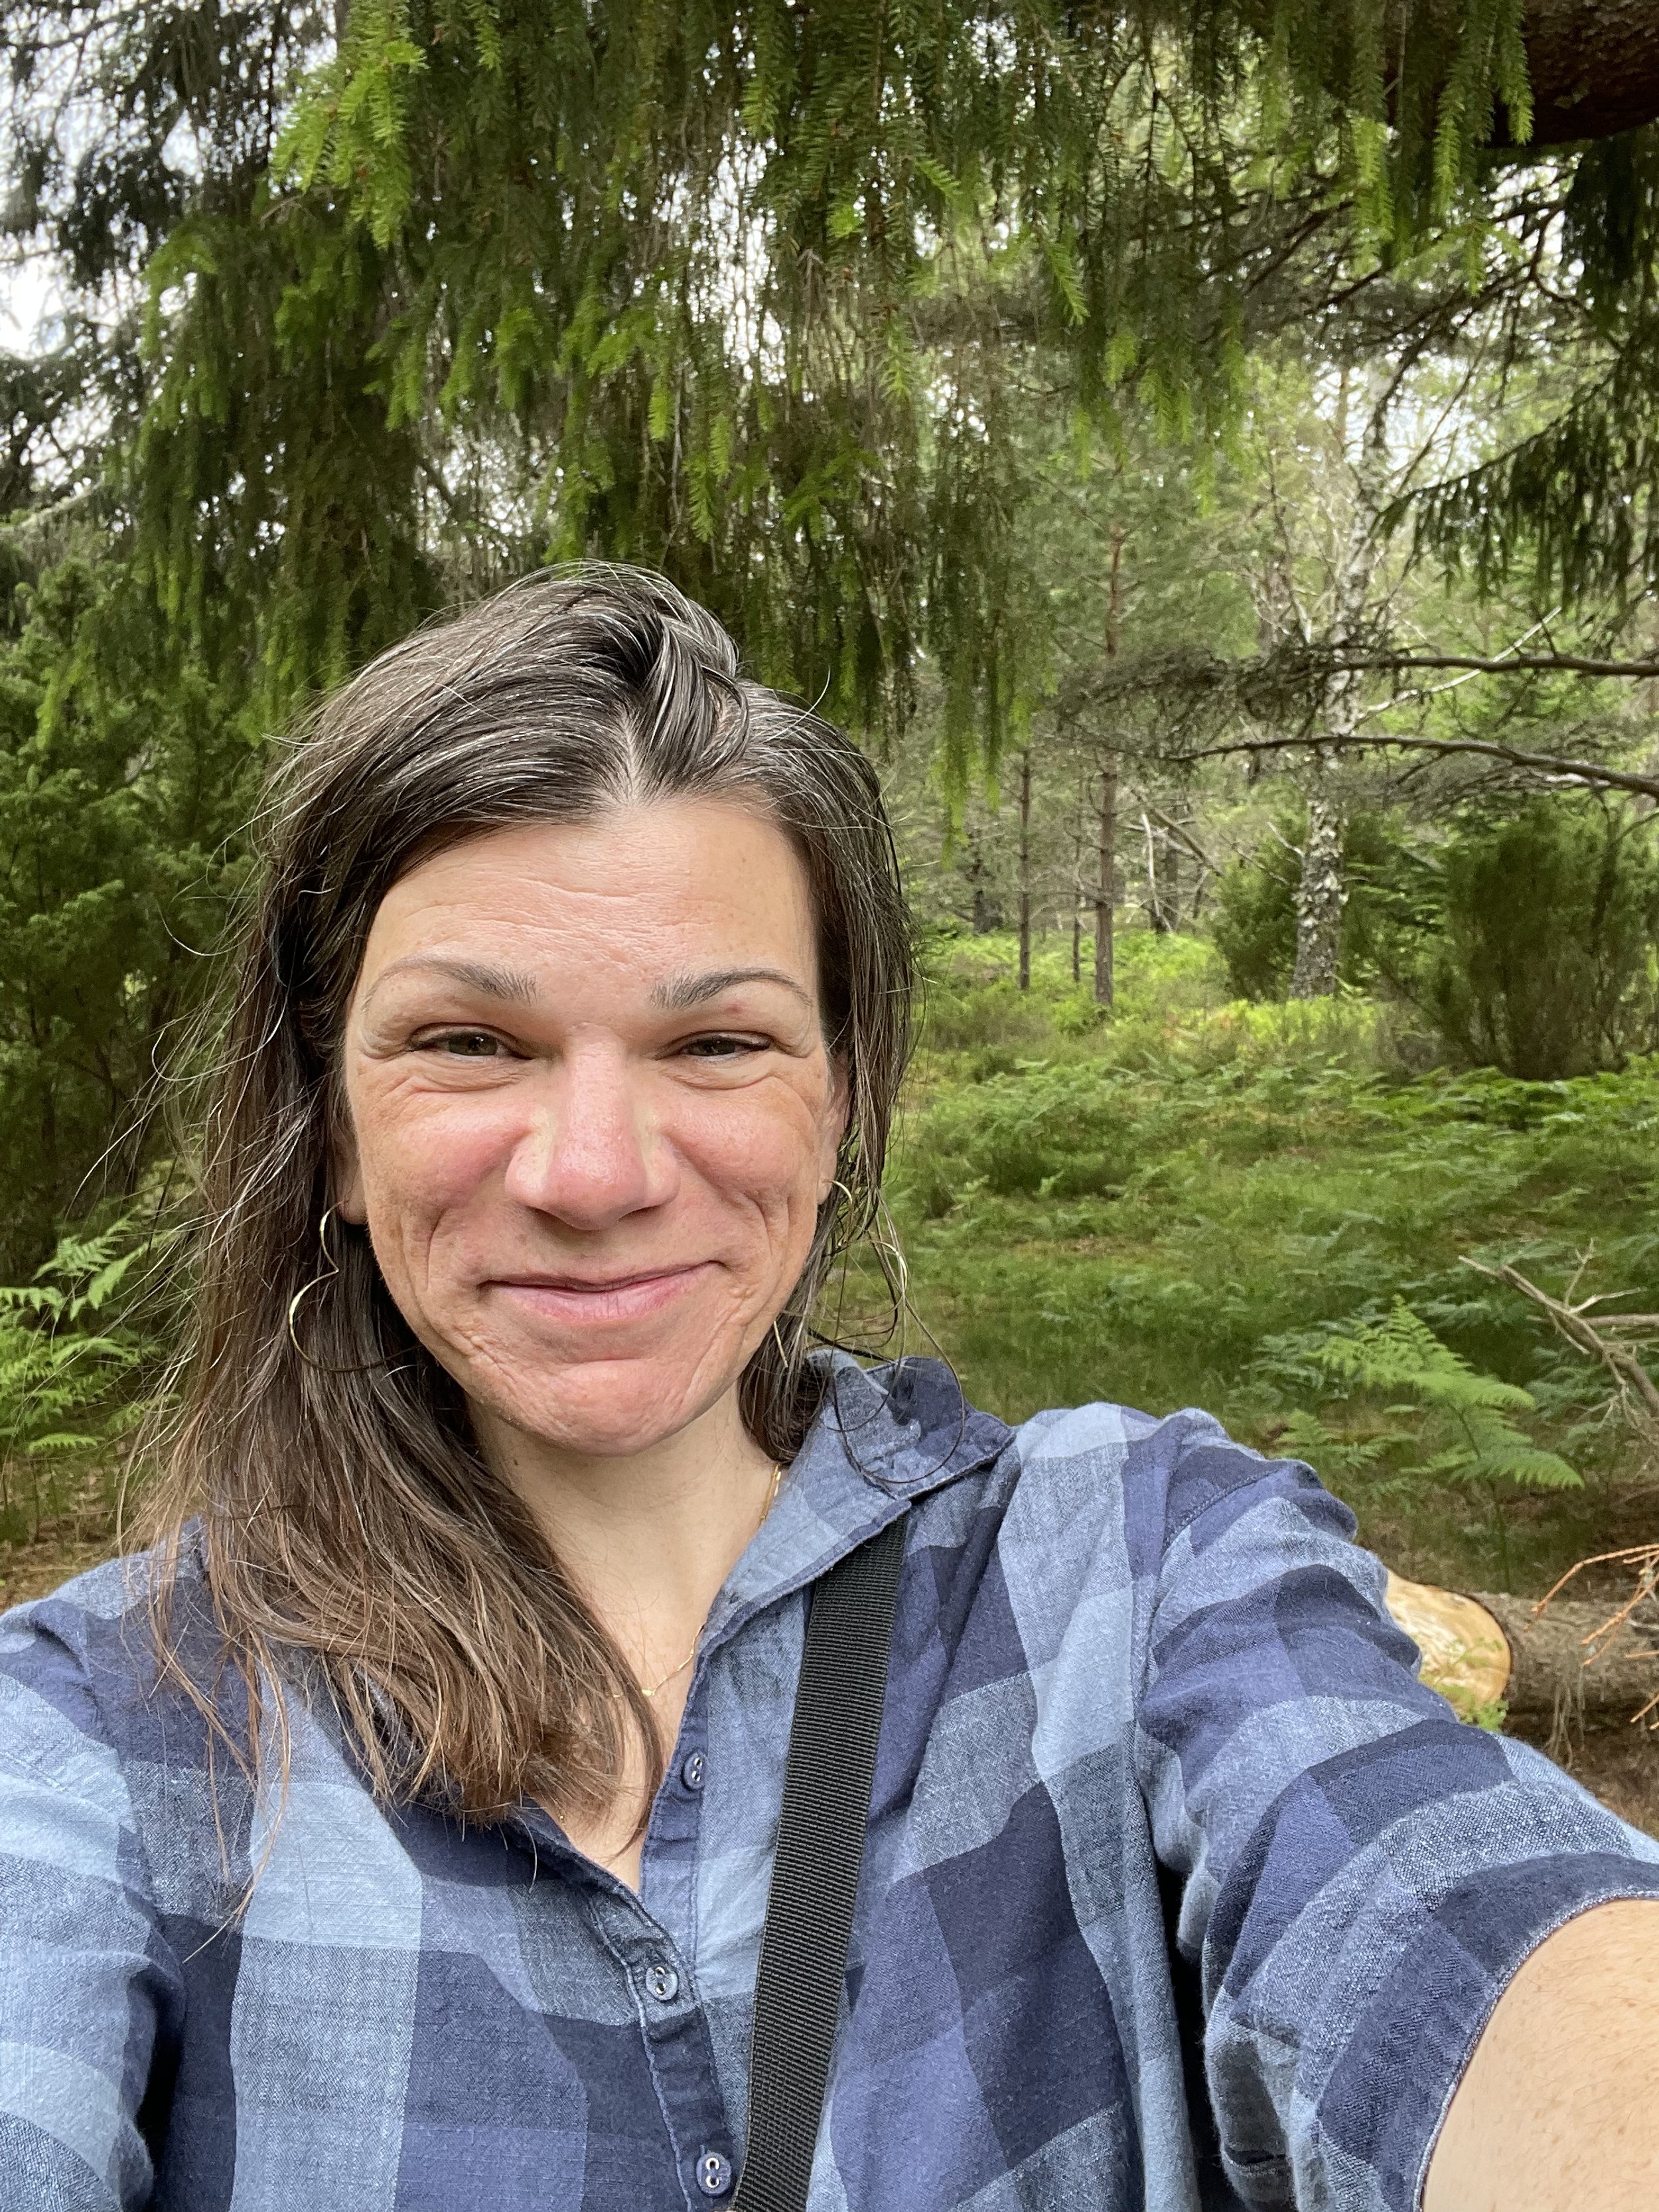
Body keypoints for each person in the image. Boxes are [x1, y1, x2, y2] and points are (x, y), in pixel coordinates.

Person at [1, 569, 1655, 2212]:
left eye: (715, 1044)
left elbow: (1449, 1906)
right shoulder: (97, 1733)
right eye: (471, 1042)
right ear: (333, 1132)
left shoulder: (1140, 1571)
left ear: (837, 1103)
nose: (593, 1173)